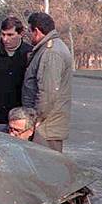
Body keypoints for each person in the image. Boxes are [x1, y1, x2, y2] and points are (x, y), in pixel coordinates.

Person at [21, 12, 73, 152]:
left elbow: (47, 92)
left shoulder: (51, 53)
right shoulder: (48, 49)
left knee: (46, 168)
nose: (28, 36)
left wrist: (34, 119)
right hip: (46, 125)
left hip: (45, 128)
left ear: (36, 31)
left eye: (29, 31)